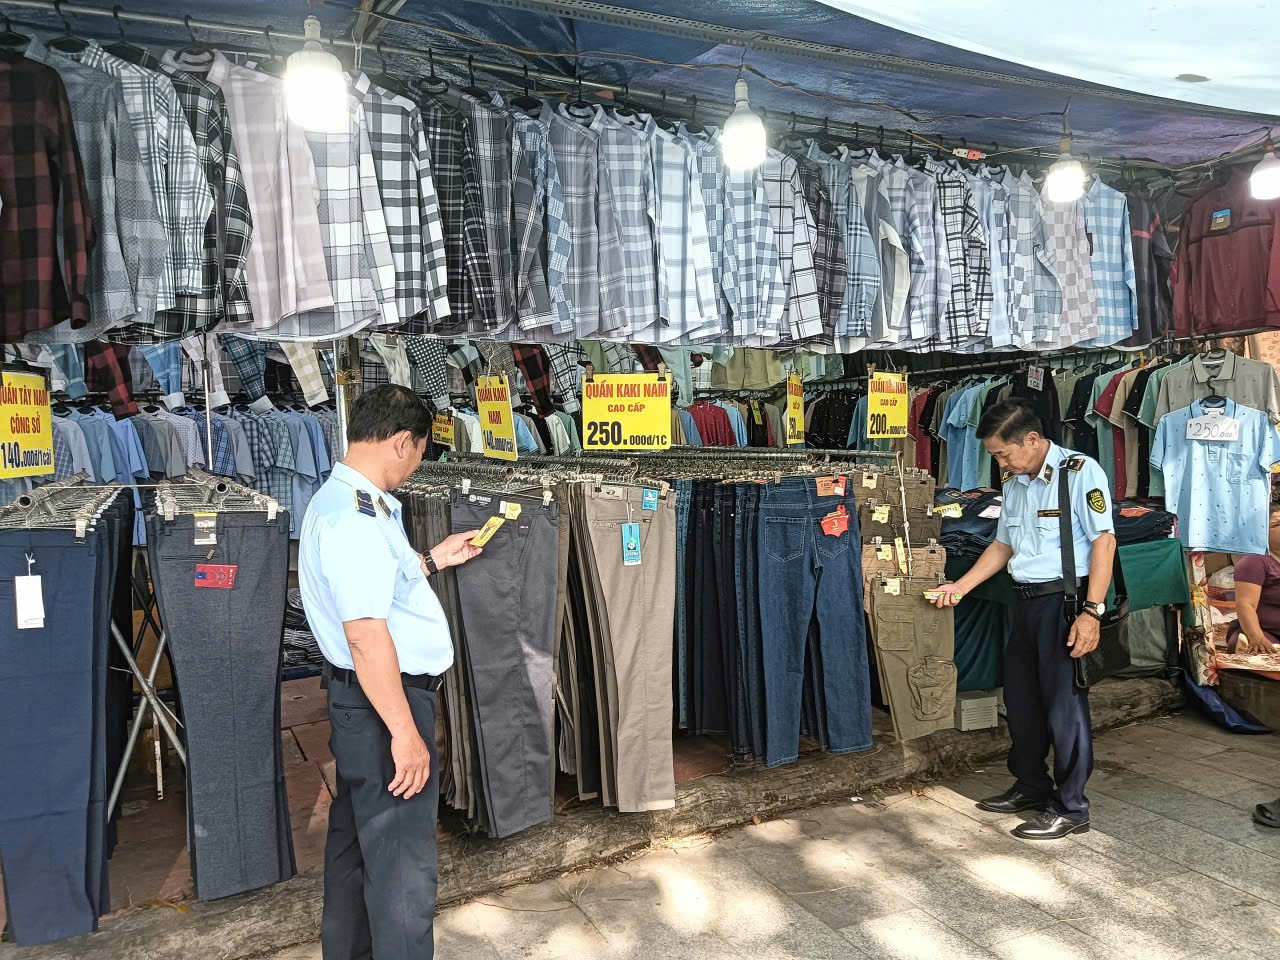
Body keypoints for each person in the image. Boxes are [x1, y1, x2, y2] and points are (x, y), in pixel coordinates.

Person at [298, 384, 482, 959]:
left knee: (356, 850)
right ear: (403, 442)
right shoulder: (355, 519)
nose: (417, 464)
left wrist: (433, 559)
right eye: (421, 451)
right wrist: (405, 733)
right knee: (402, 872)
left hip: (367, 701)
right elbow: (365, 633)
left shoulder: (351, 500)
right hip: (385, 703)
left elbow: (381, 590)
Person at [931, 399, 1117, 840]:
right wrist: (961, 586)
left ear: (1031, 439)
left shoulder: (1078, 472)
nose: (1000, 463)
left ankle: (1071, 807)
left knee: (1064, 708)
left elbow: (1104, 542)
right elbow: (1003, 545)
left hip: (1064, 603)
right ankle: (1031, 785)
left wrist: (1091, 612)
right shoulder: (1015, 484)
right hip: (1024, 602)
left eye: (1003, 454)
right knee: (1021, 702)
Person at [1226, 504, 1280, 656]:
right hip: (1266, 631)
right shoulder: (1254, 561)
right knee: (1254, 649)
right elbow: (1245, 604)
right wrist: (1257, 637)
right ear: (1261, 532)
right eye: (1276, 524)